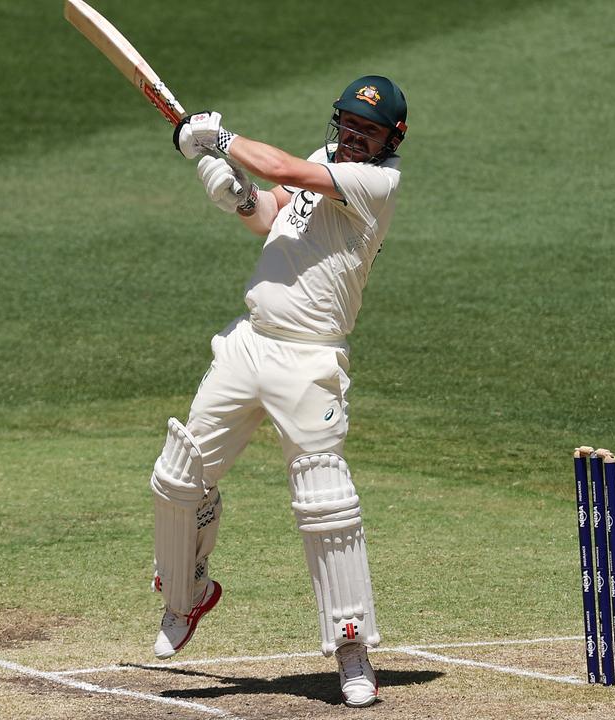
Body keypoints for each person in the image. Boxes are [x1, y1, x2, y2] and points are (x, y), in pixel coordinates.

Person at [147, 75, 407, 709]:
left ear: (390, 141)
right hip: (248, 343)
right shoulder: (326, 162)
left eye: (367, 130)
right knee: (179, 477)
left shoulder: (376, 183)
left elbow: (282, 165)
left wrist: (221, 137)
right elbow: (271, 213)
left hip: (310, 359)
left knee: (325, 499)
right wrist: (234, 194)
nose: (352, 135)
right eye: (347, 122)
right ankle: (187, 598)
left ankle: (352, 653)